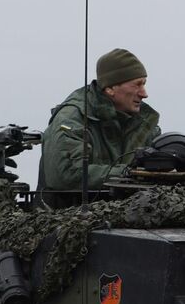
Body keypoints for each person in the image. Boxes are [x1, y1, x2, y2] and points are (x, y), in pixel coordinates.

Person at [37, 48, 161, 194]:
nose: (144, 94)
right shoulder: (72, 119)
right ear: (110, 89)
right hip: (67, 213)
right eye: (137, 85)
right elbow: (65, 174)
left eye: (144, 84)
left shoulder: (144, 123)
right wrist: (128, 174)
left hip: (128, 212)